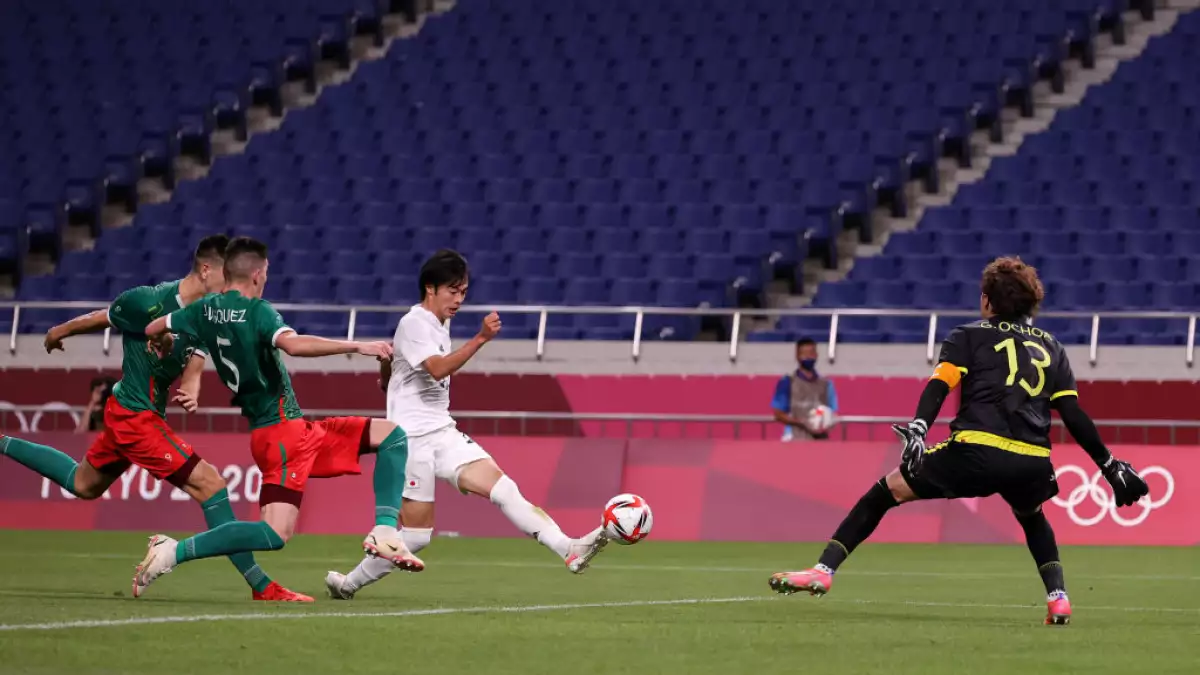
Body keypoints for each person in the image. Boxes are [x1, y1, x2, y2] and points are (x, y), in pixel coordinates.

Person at [768, 257, 1151, 626]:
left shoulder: (968, 335)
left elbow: (940, 384)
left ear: (987, 300)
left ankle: (823, 570)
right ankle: (1058, 598)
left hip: (977, 450)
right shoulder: (1052, 346)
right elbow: (1073, 415)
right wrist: (1108, 464)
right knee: (1031, 516)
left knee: (884, 493)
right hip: (1032, 459)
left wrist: (919, 428)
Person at [0, 235, 310, 601]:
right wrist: (60, 331)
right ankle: (261, 586)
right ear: (207, 270)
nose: (231, 282)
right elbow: (107, 316)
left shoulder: (207, 311)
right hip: (136, 417)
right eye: (226, 274)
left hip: (129, 415)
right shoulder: (147, 301)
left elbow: (196, 352)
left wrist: (192, 386)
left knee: (83, 484)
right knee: (211, 485)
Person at [136, 236, 423, 595]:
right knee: (274, 534)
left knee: (392, 436)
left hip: (281, 433)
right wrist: (356, 345)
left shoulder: (203, 309)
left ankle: (384, 531)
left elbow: (152, 328)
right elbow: (293, 344)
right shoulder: (258, 311)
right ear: (257, 274)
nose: (267, 277)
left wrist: (162, 342)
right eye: (267, 271)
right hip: (284, 435)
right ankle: (173, 551)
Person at [325, 249, 608, 600]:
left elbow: (395, 381)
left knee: (505, 490)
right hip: (410, 441)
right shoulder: (414, 323)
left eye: (463, 292)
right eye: (453, 291)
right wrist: (481, 339)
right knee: (416, 536)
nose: (459, 299)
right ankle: (348, 584)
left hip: (442, 432)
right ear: (430, 288)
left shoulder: (439, 324)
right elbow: (438, 369)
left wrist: (388, 369)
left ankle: (569, 548)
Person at [771, 338, 838, 441]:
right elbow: (778, 414)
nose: (808, 357)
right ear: (797, 356)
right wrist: (802, 423)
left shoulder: (827, 384)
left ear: (816, 355)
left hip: (820, 440)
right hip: (793, 439)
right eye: (804, 354)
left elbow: (832, 412)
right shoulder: (787, 382)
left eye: (811, 353)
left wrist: (824, 424)